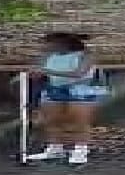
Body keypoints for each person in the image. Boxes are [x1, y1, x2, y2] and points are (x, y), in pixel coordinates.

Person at [25, 32, 104, 165]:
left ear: (64, 43)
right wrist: (35, 75)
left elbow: (79, 73)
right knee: (52, 120)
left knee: (78, 120)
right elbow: (40, 71)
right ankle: (55, 148)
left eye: (52, 42)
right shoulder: (48, 56)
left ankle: (80, 150)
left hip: (79, 89)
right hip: (54, 88)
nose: (48, 45)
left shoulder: (86, 55)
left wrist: (48, 72)